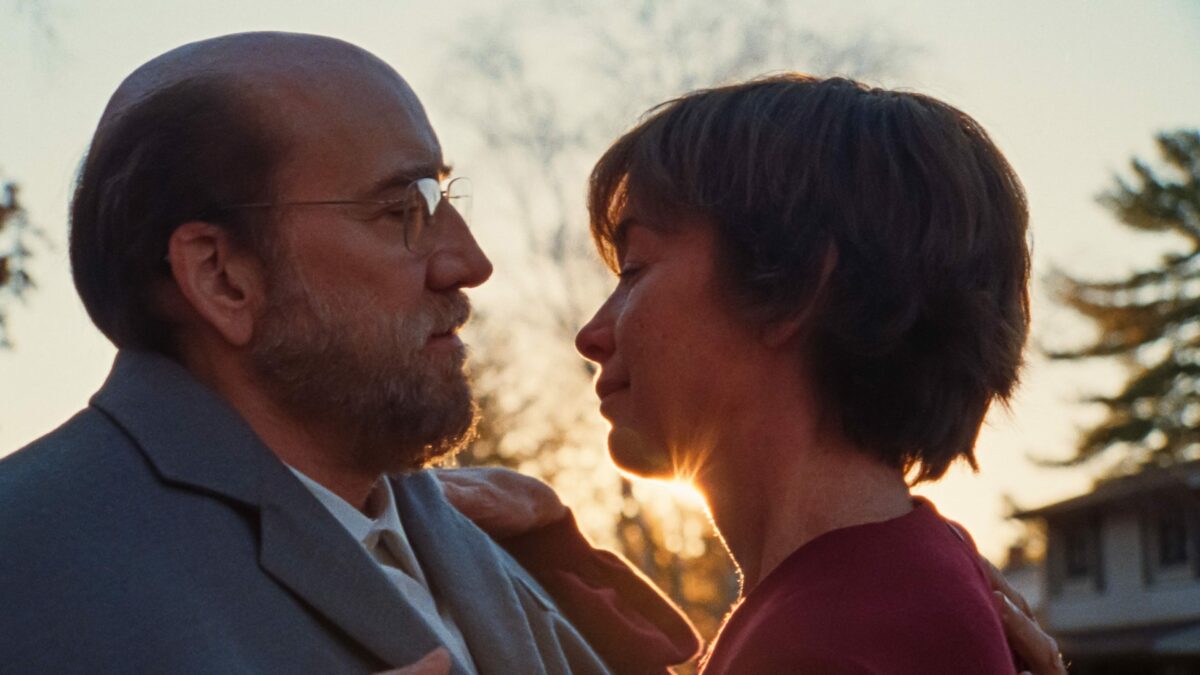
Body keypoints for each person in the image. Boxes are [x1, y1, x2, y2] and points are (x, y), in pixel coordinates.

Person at [0, 32, 697, 674]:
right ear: (221, 276)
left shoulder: (496, 546)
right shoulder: (28, 564)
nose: (470, 262)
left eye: (442, 199)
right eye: (401, 211)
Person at [569, 73, 1065, 674]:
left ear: (794, 286)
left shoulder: (832, 641)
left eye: (635, 269)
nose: (591, 335)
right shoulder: (891, 590)